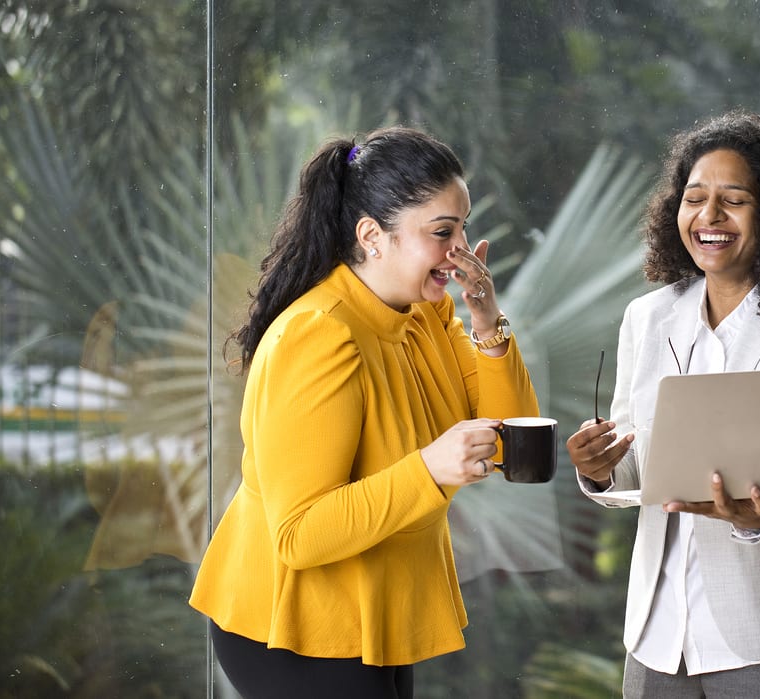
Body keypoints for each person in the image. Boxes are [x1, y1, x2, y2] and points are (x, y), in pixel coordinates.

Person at [189, 126, 540, 699]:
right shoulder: (318, 336)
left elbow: (509, 439)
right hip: (295, 628)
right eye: (442, 232)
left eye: (463, 228)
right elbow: (299, 534)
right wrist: (429, 469)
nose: (461, 250)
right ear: (372, 236)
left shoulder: (424, 315)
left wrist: (486, 322)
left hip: (374, 611)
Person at [567, 110, 760, 698]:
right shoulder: (648, 318)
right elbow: (638, 462)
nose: (709, 216)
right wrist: (600, 469)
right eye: (694, 198)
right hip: (659, 632)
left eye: (733, 200)